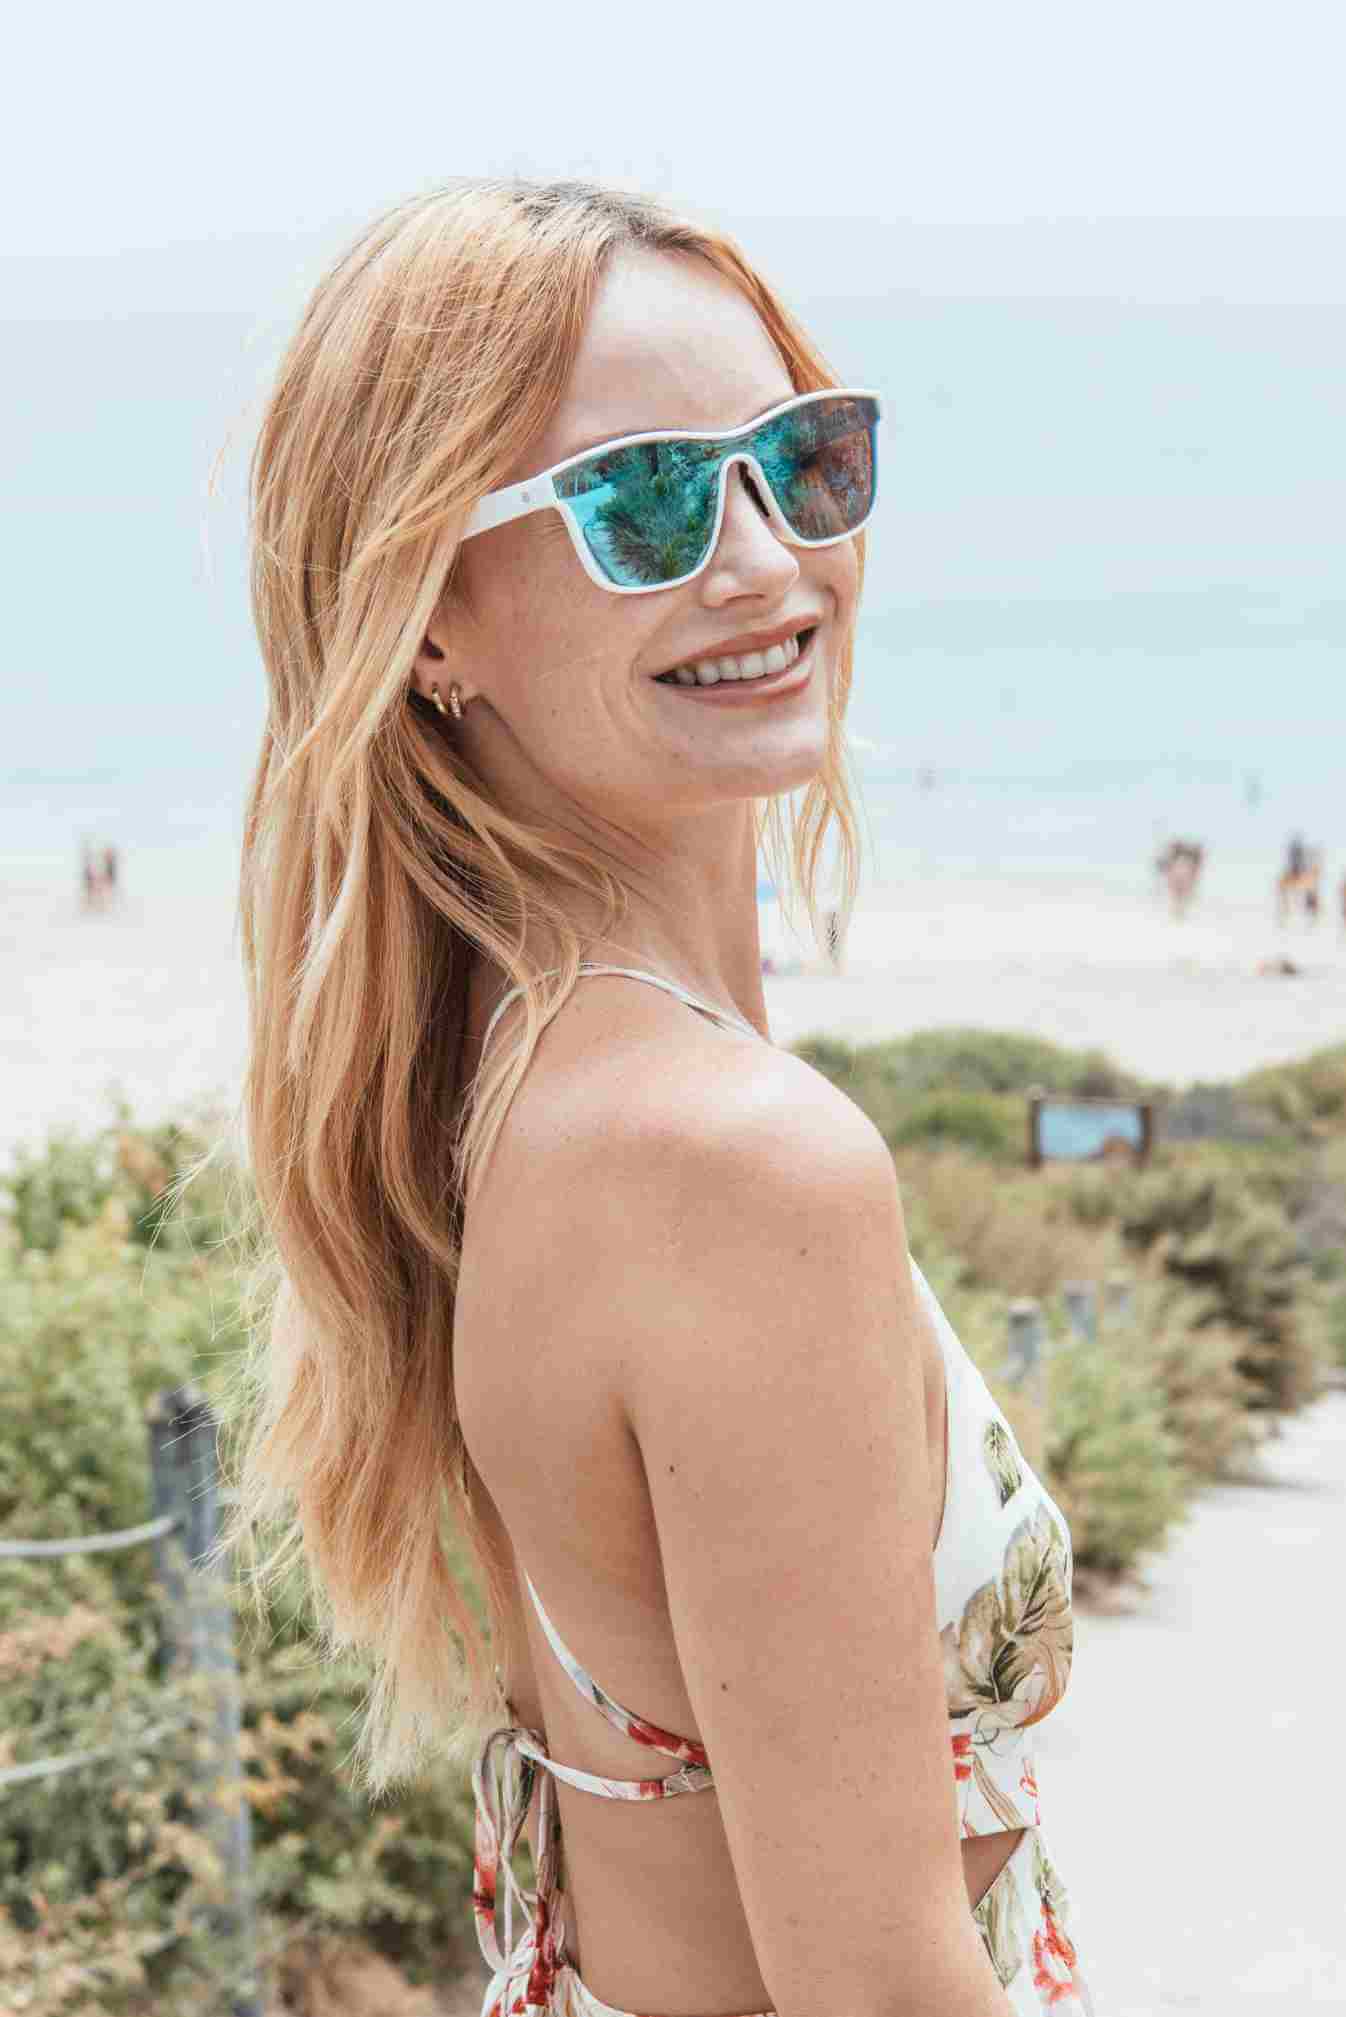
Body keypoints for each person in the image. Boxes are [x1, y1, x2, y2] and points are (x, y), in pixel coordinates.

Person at [228, 179, 1093, 2017]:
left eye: (803, 462)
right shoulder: (726, 1160)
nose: (768, 559)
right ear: (427, 617)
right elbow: (877, 1985)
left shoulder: (504, 1076)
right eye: (643, 501)